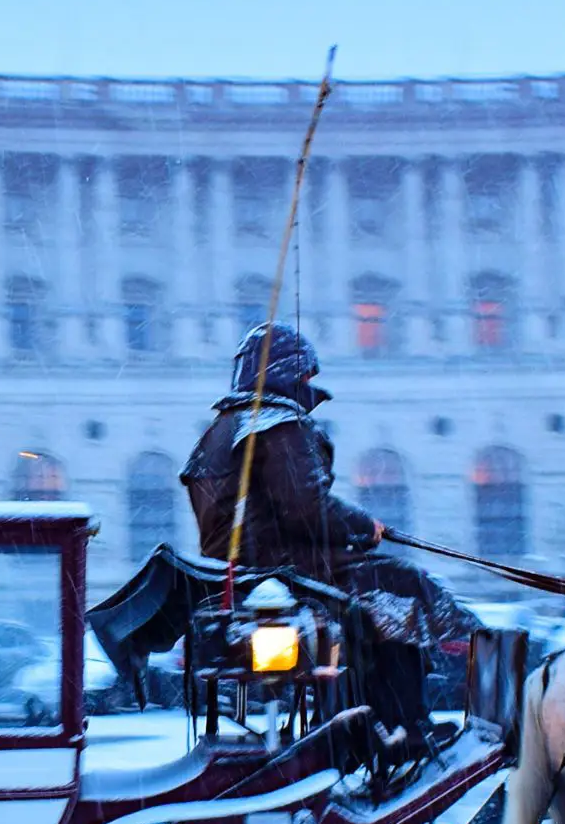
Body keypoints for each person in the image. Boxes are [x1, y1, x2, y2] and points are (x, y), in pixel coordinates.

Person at [180, 322, 471, 751]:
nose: (309, 385)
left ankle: (381, 720)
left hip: (246, 570)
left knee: (383, 592)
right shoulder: (276, 424)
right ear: (286, 372)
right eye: (305, 375)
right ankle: (403, 725)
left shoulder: (222, 429)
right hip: (282, 568)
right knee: (404, 589)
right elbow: (305, 508)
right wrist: (361, 527)